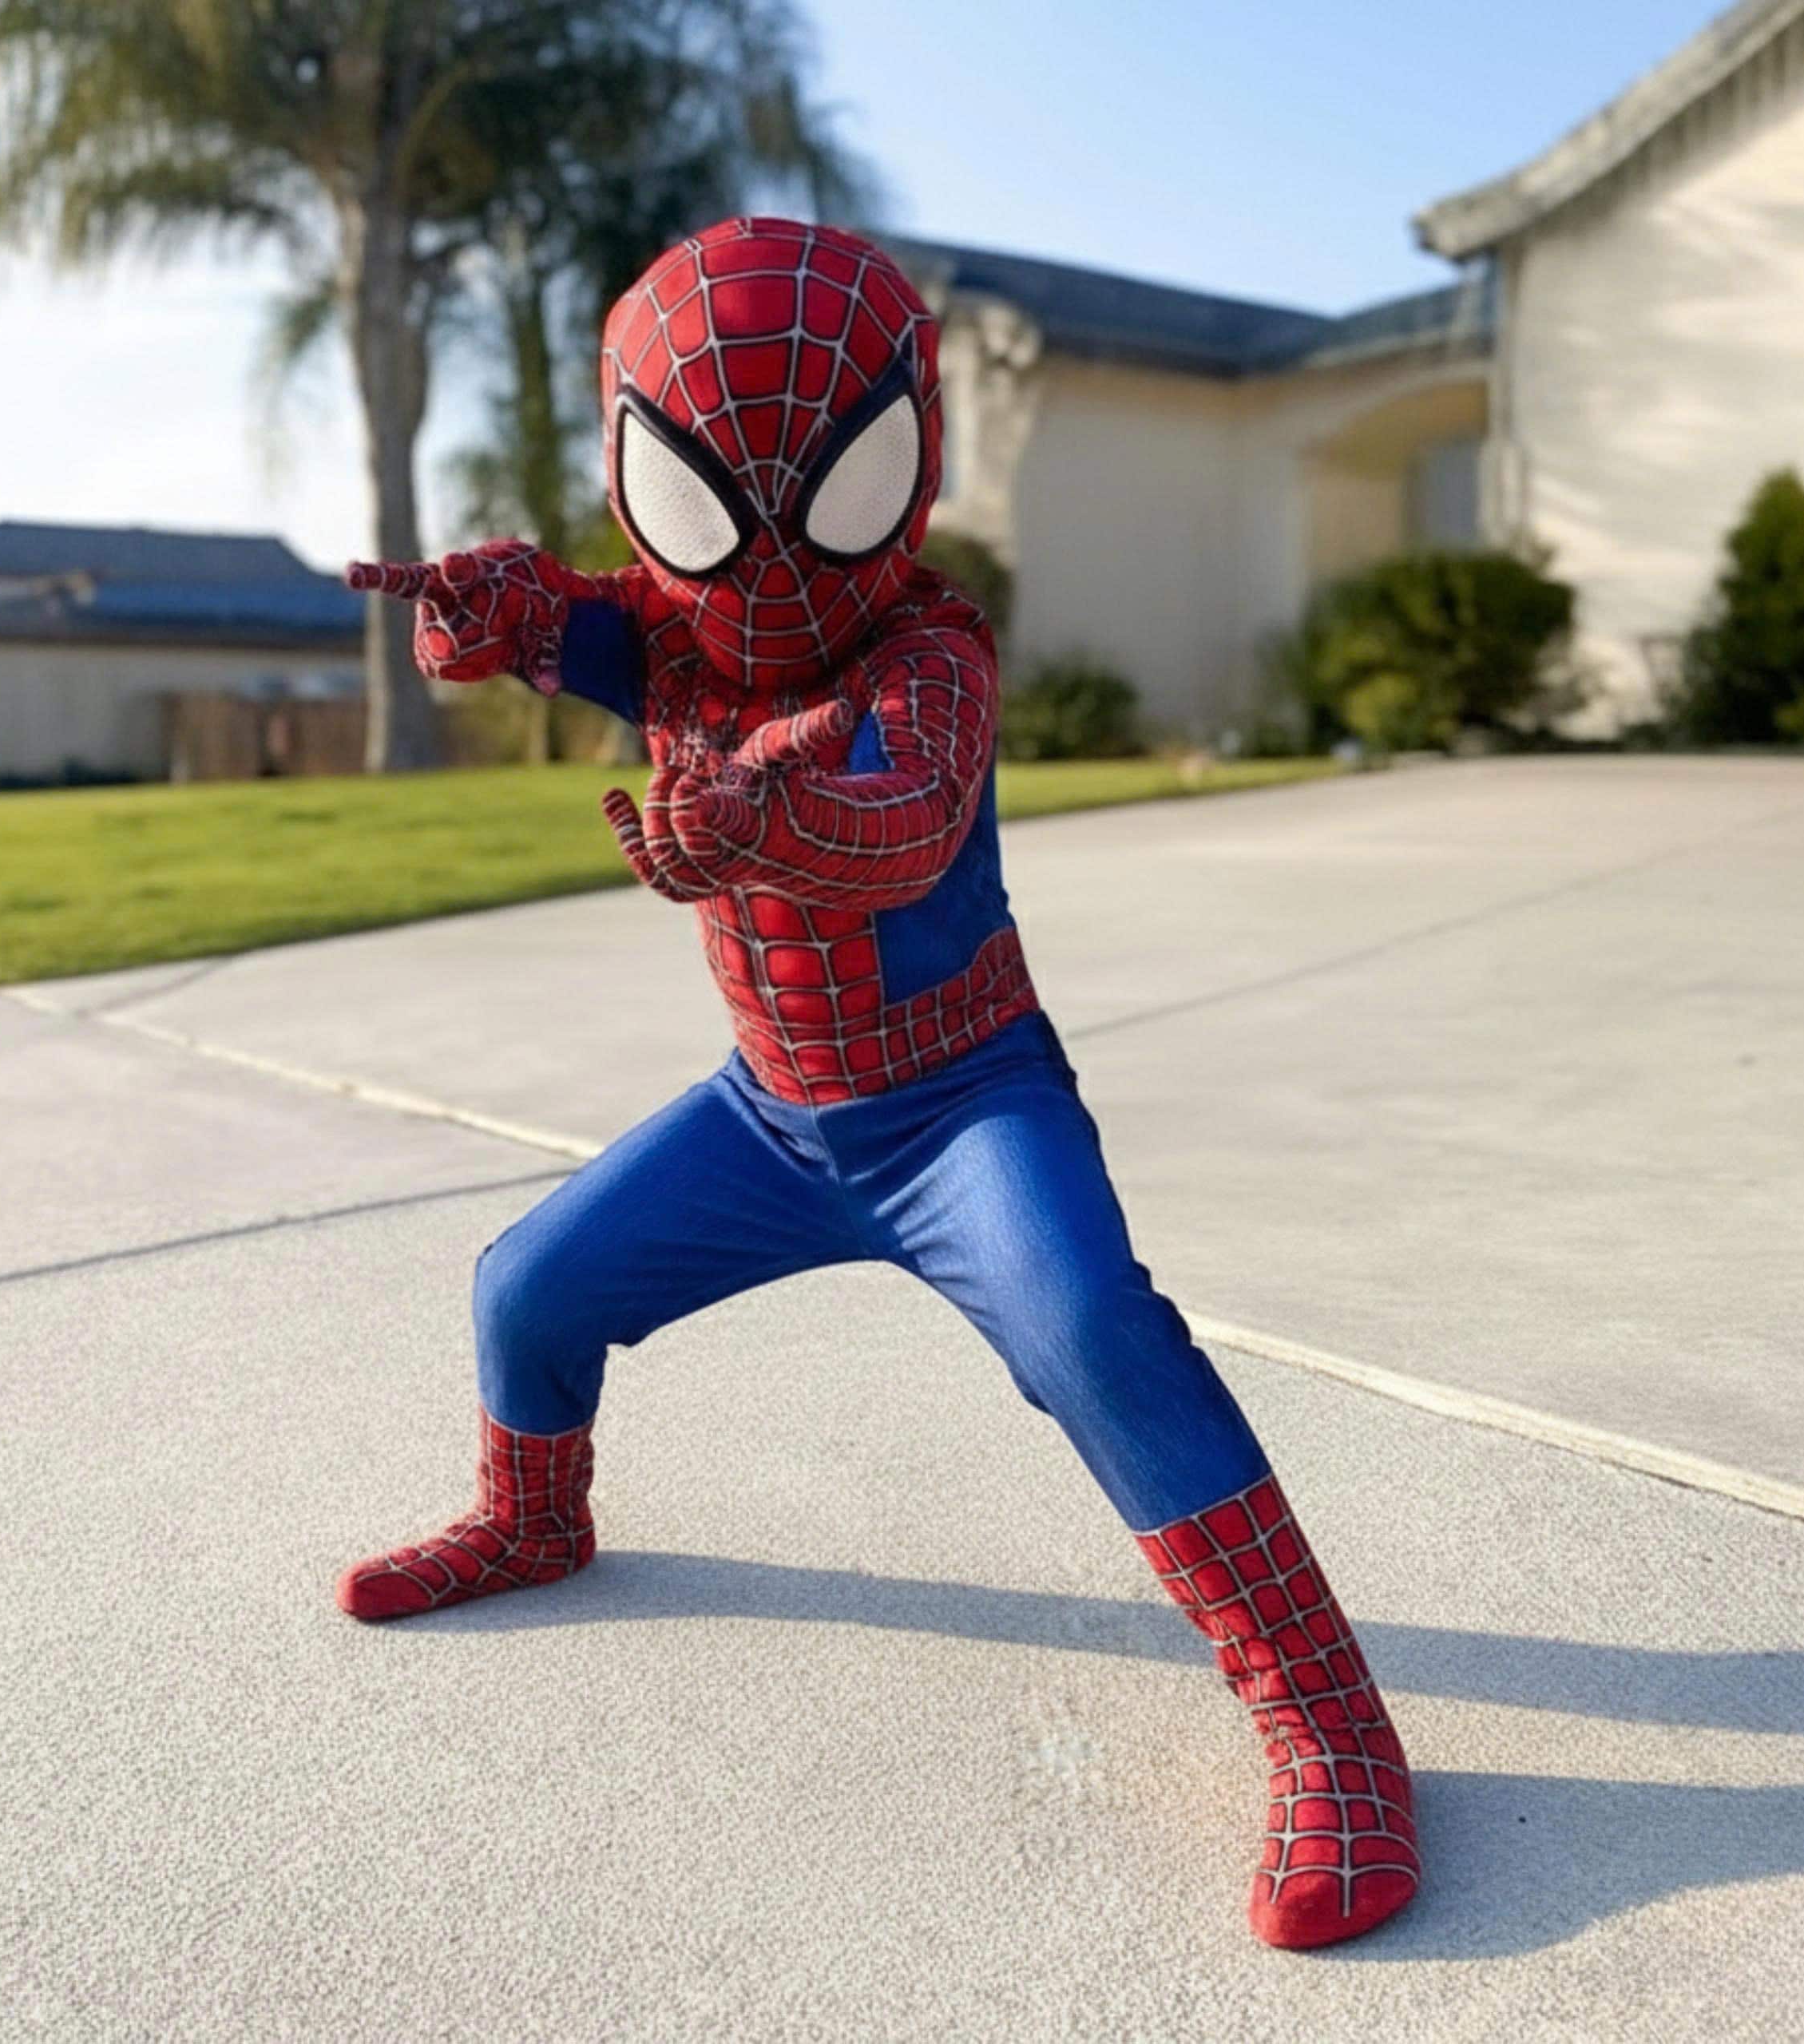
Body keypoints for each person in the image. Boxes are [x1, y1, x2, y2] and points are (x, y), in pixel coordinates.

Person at [339, 218, 1419, 1950]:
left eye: (817, 488)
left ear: (897, 456)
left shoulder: (930, 649)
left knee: (1091, 1335)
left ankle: (1327, 1725)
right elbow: (529, 622)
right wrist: (472, 612)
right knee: (527, 1280)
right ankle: (531, 1519)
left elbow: (902, 812)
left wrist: (766, 812)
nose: (764, 555)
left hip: (961, 1101)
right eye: (712, 499)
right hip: (770, 1115)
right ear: (647, 474)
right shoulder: (662, 628)